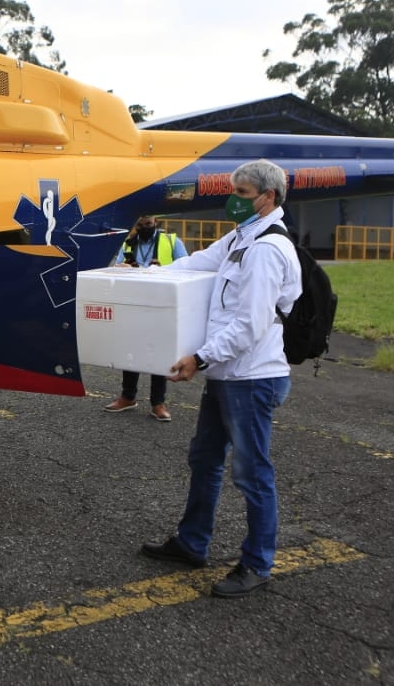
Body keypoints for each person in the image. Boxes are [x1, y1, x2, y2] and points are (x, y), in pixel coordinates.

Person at [139, 160, 302, 599]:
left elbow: (251, 324)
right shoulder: (241, 237)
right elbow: (196, 263)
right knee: (205, 458)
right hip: (228, 375)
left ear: (268, 197)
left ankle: (256, 563)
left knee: (251, 473)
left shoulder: (268, 249)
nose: (234, 200)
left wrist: (200, 358)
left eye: (243, 193)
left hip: (251, 378)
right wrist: (139, 277)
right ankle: (192, 543)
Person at [104, 215, 188, 422]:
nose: (144, 228)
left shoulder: (172, 242)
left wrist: (165, 270)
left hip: (162, 305)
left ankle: (158, 403)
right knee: (131, 352)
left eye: (148, 225)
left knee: (158, 353)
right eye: (140, 225)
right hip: (133, 304)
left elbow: (188, 270)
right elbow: (115, 269)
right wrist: (122, 268)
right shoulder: (128, 244)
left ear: (156, 222)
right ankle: (128, 397)